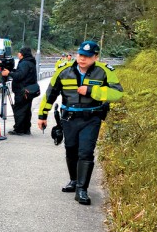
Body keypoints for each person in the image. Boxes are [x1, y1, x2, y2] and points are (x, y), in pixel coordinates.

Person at [37, 41, 124, 205]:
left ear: (96, 57)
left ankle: (82, 189)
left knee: (85, 152)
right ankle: (74, 181)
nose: (82, 59)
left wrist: (92, 91)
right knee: (71, 149)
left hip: (91, 118)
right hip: (69, 118)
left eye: (87, 56)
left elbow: (117, 93)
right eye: (80, 55)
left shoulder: (104, 71)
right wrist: (42, 115)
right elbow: (50, 94)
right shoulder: (63, 71)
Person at [7, 47, 38, 135]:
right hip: (28, 90)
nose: (18, 54)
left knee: (19, 110)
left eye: (20, 53)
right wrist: (13, 71)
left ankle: (19, 129)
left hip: (22, 90)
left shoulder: (24, 63)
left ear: (23, 54)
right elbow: (22, 73)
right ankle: (26, 129)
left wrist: (9, 73)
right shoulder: (30, 62)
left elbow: (20, 75)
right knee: (26, 110)